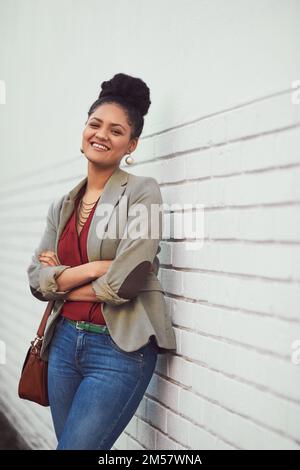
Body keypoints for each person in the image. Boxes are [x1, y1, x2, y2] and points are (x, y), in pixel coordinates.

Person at [27, 72, 177, 450]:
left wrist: (60, 280)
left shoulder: (143, 193)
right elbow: (35, 279)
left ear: (132, 144)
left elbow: (125, 282)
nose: (101, 135)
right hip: (61, 346)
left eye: (116, 130)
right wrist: (97, 267)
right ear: (83, 130)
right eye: (95, 124)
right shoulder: (62, 206)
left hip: (118, 350)